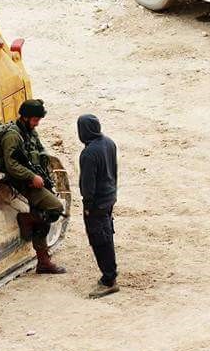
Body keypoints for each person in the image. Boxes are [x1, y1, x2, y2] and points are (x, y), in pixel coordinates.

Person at [0, 99, 67, 274]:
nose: (37, 123)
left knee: (42, 218)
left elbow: (39, 151)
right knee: (55, 208)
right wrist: (32, 176)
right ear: (26, 117)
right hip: (23, 181)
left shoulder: (30, 132)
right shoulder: (13, 136)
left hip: (36, 178)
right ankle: (26, 219)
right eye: (35, 119)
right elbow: (11, 164)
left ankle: (43, 262)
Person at [78, 114, 119, 298]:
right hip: (109, 197)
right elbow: (115, 170)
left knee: (99, 240)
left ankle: (109, 279)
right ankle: (110, 275)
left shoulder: (88, 153)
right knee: (106, 234)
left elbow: (88, 184)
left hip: (97, 203)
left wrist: (87, 205)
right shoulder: (109, 143)